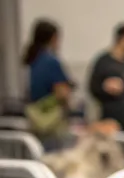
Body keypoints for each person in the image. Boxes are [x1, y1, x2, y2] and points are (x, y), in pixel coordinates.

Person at [22, 19, 73, 148]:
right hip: (51, 122)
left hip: (34, 118)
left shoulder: (32, 60)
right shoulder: (51, 61)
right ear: (53, 38)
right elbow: (61, 93)